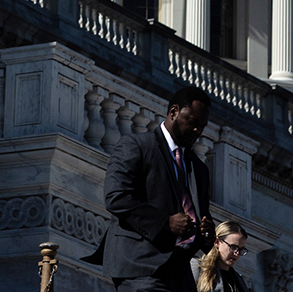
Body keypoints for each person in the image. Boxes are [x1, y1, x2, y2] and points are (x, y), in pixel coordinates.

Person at [83, 85, 215, 292]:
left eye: (203, 126)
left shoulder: (199, 168)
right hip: (142, 265)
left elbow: (201, 214)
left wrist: (207, 233)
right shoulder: (136, 145)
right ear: (173, 112)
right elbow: (116, 197)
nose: (198, 130)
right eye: (192, 122)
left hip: (181, 275)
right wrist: (165, 222)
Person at [191, 221, 251, 292]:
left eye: (241, 249)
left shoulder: (239, 281)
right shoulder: (197, 268)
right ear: (217, 242)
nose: (237, 253)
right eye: (233, 247)